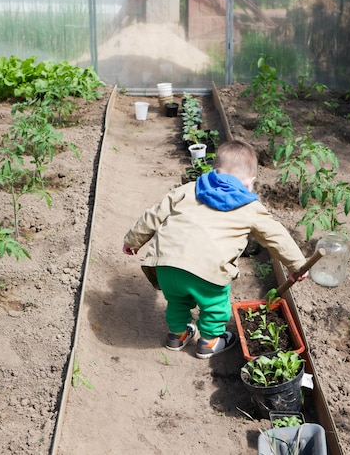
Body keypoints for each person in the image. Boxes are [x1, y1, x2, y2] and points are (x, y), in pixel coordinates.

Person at [122, 140, 308, 359]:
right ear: (250, 182)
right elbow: (277, 236)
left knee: (177, 299)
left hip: (165, 265)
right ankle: (210, 341)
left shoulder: (187, 189)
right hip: (207, 271)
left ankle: (177, 335)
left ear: (214, 170)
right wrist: (297, 266)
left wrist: (132, 241)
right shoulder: (250, 206)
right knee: (214, 305)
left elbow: (153, 214)